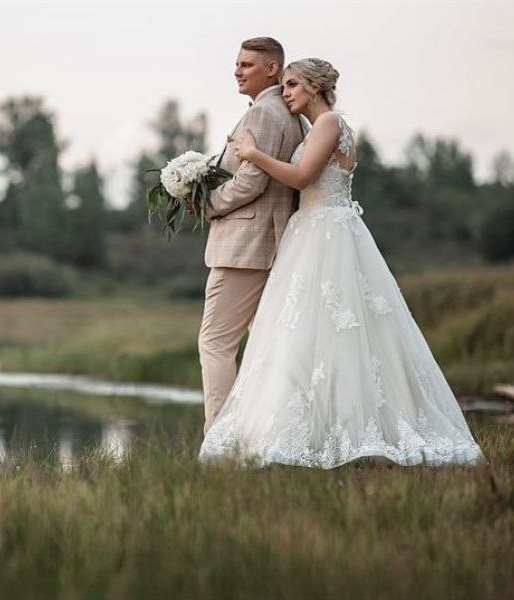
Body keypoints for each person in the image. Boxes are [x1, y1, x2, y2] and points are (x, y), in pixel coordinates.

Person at [198, 58, 484, 467]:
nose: (287, 93)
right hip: (320, 228)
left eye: (293, 85)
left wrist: (253, 154)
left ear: (315, 87)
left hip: (324, 232)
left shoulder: (330, 122)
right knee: (315, 334)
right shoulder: (324, 127)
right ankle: (315, 423)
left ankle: (340, 430)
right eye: (284, 86)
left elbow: (300, 177)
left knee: (327, 331)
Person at [199, 37, 304, 435]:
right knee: (266, 349)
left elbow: (251, 182)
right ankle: (269, 434)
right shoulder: (289, 113)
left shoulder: (265, 113)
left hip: (245, 247)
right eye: (237, 64)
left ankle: (220, 440)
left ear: (272, 69)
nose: (237, 71)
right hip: (269, 243)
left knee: (215, 344)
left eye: (246, 64)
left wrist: (207, 203)